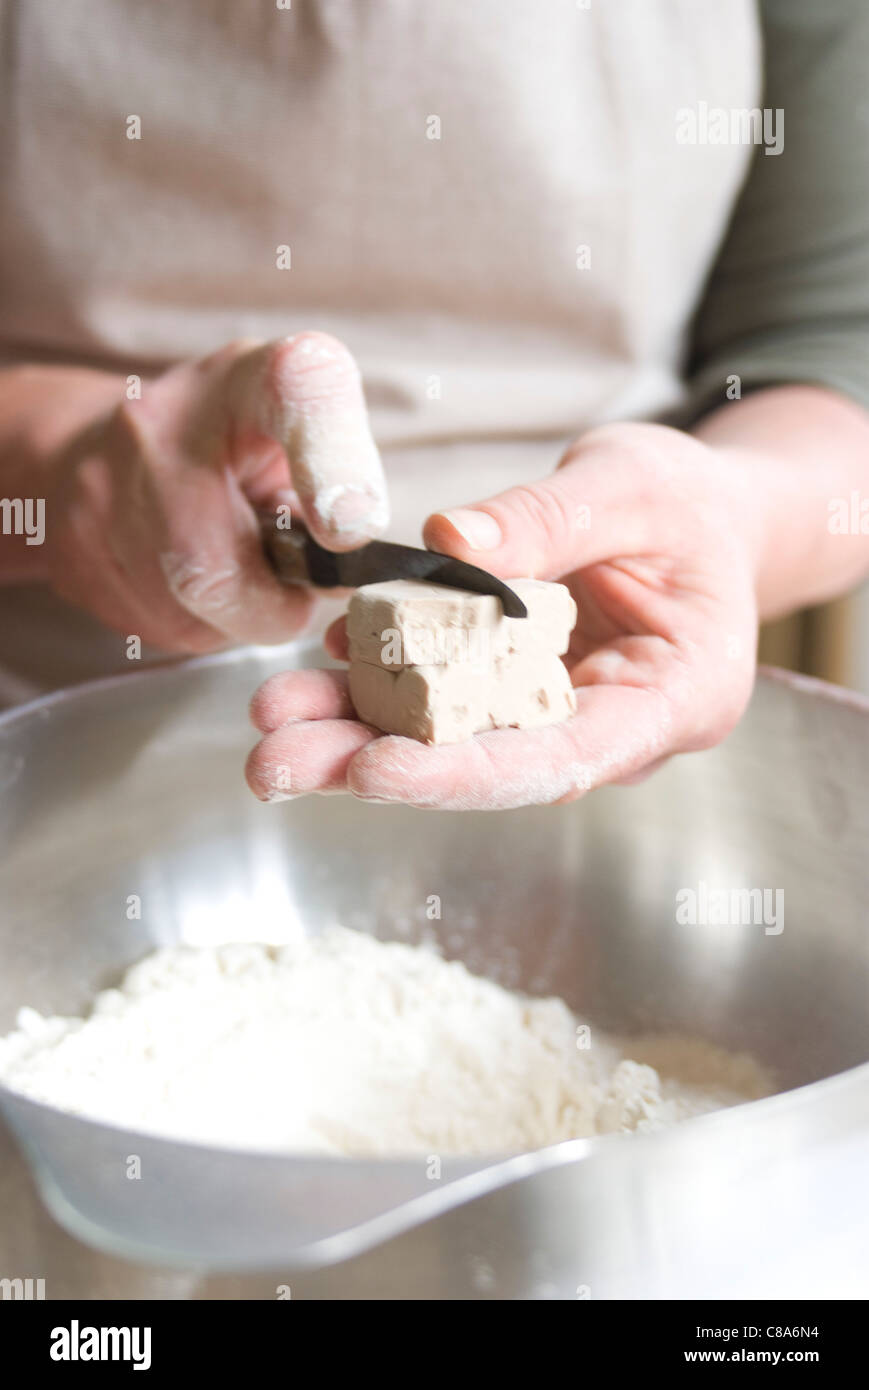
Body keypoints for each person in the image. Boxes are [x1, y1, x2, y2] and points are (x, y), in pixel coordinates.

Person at [1, 1, 868, 810]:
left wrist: (736, 516)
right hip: (56, 739)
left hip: (609, 703)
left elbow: (832, 341)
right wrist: (51, 452)